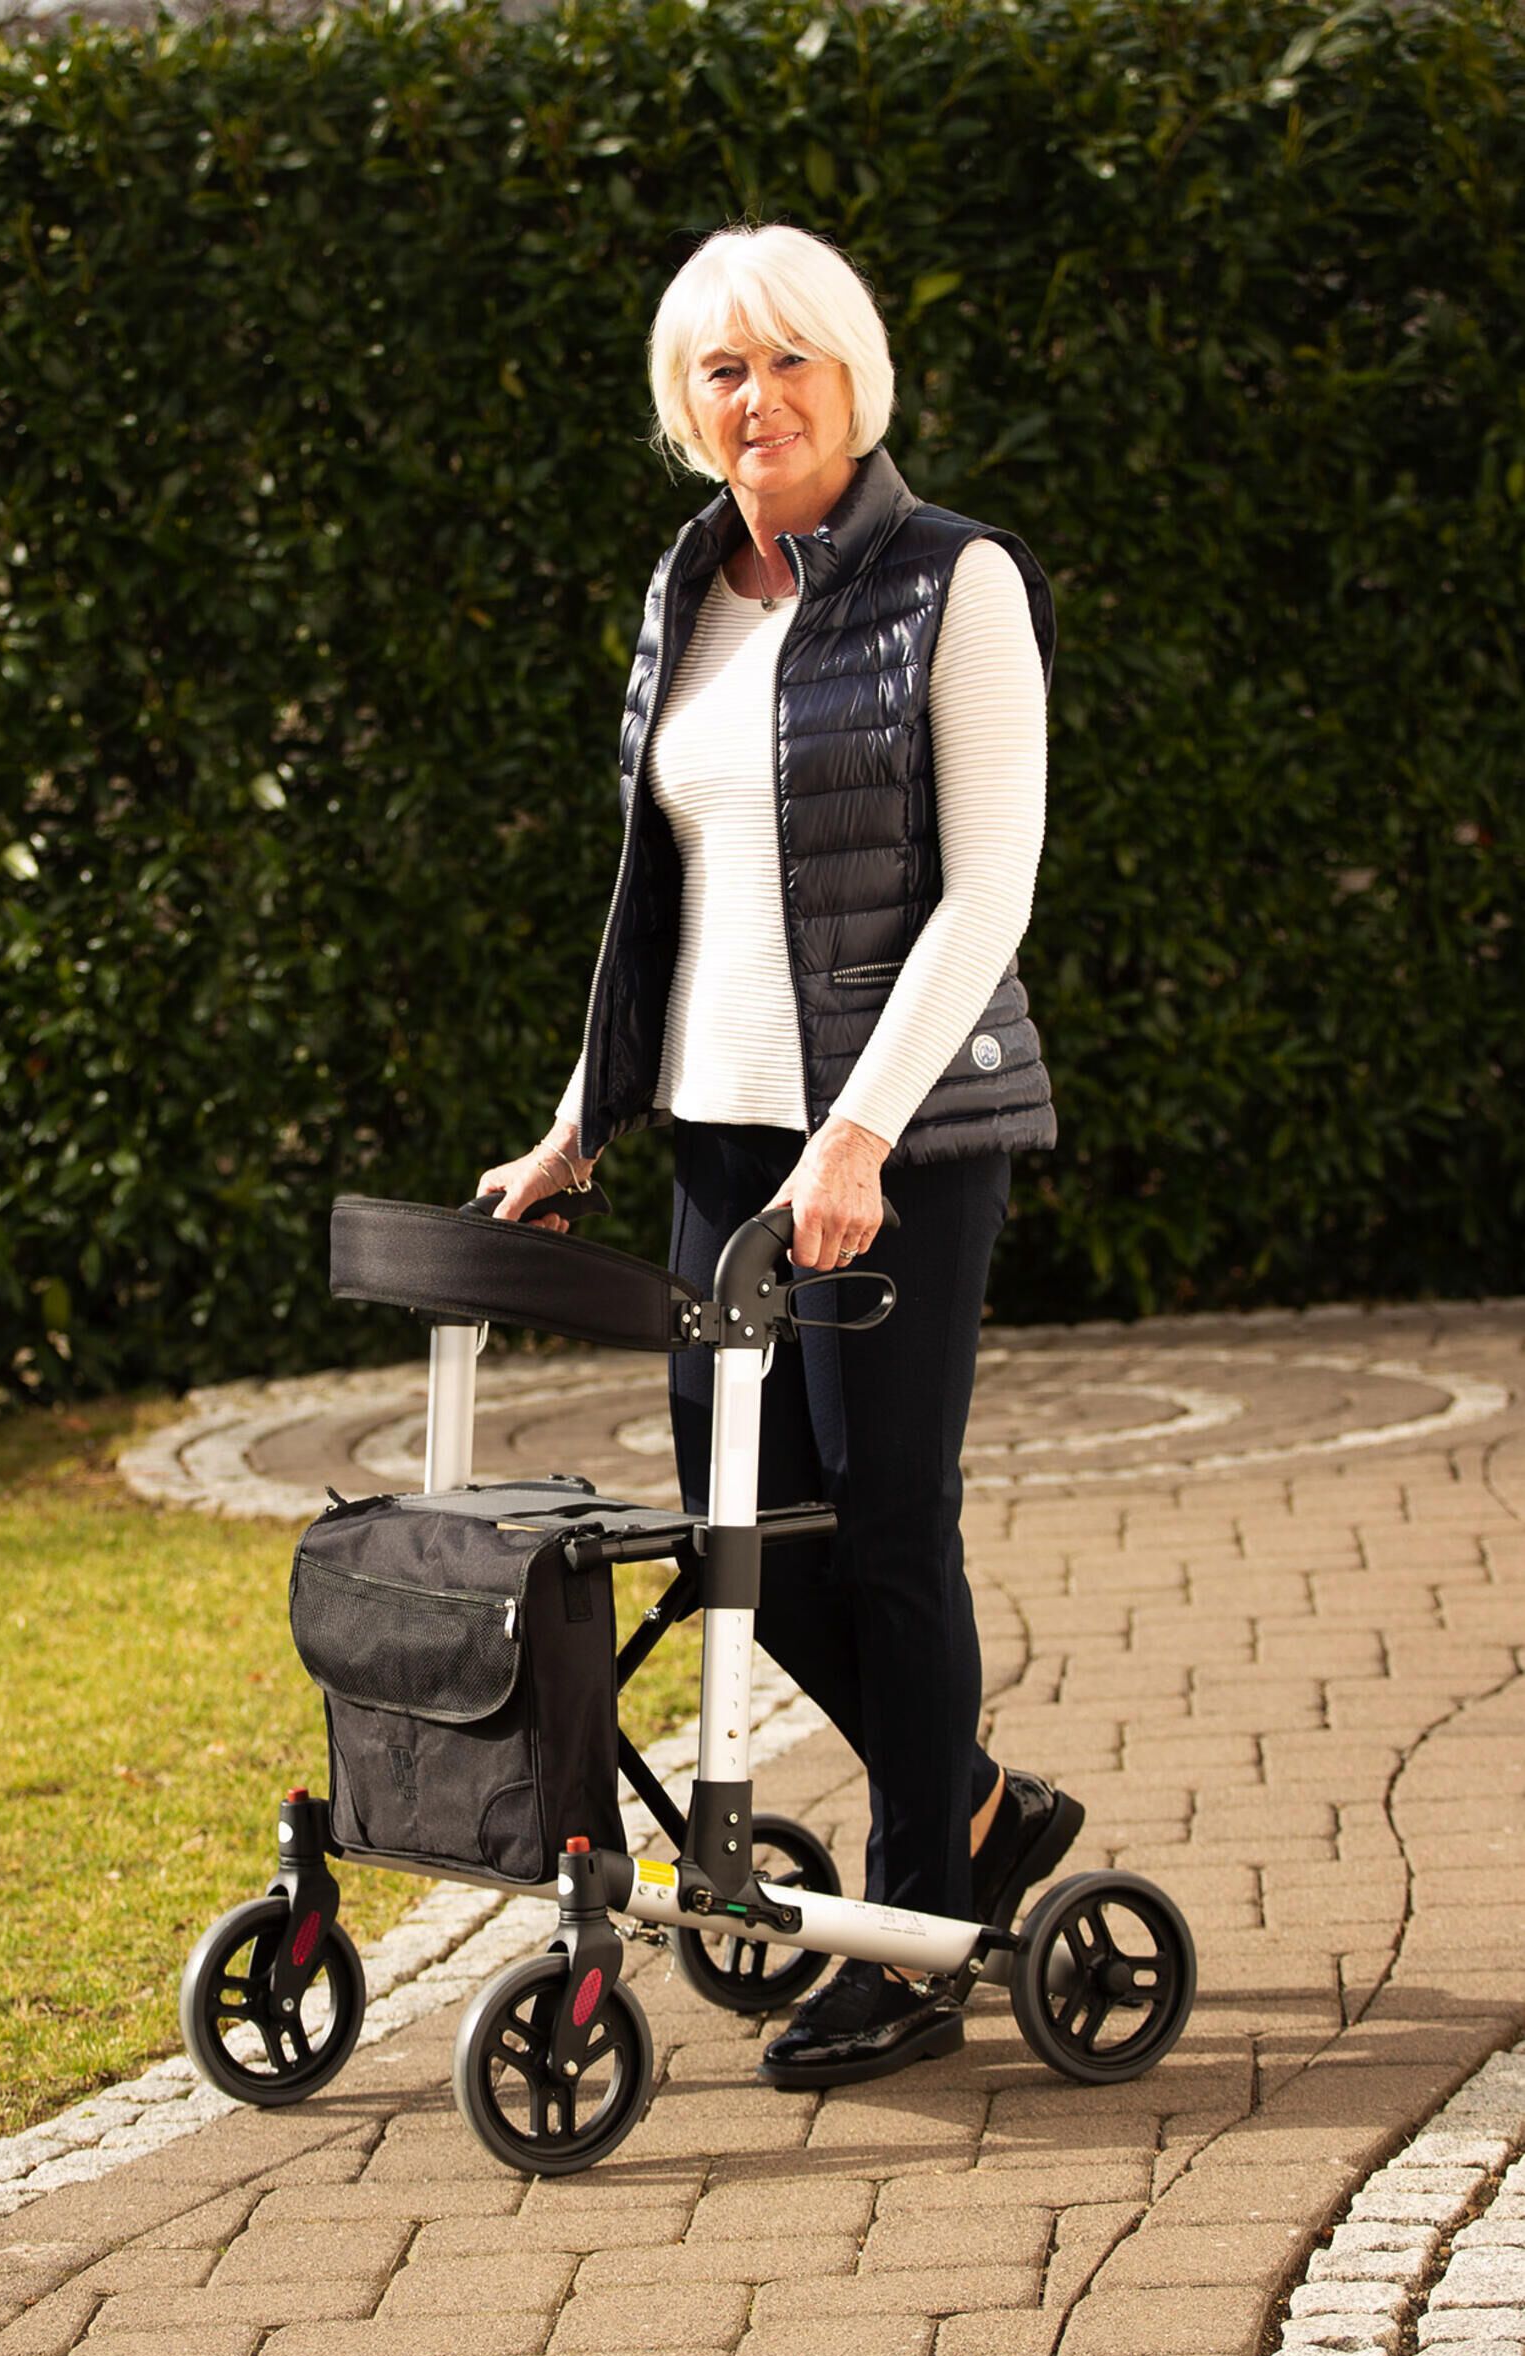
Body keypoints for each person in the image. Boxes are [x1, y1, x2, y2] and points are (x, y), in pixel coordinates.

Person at [477, 223, 1082, 2088]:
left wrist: (866, 1128)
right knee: (746, 1547)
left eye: (790, 359)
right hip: (720, 1140)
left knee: (885, 1533)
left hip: (884, 1150)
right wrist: (586, 1113)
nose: (760, 396)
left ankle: (918, 1937)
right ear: (689, 403)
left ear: (854, 374)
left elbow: (992, 888)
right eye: (722, 369)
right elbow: (663, 887)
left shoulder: (952, 577)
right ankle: (967, 1799)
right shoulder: (689, 590)